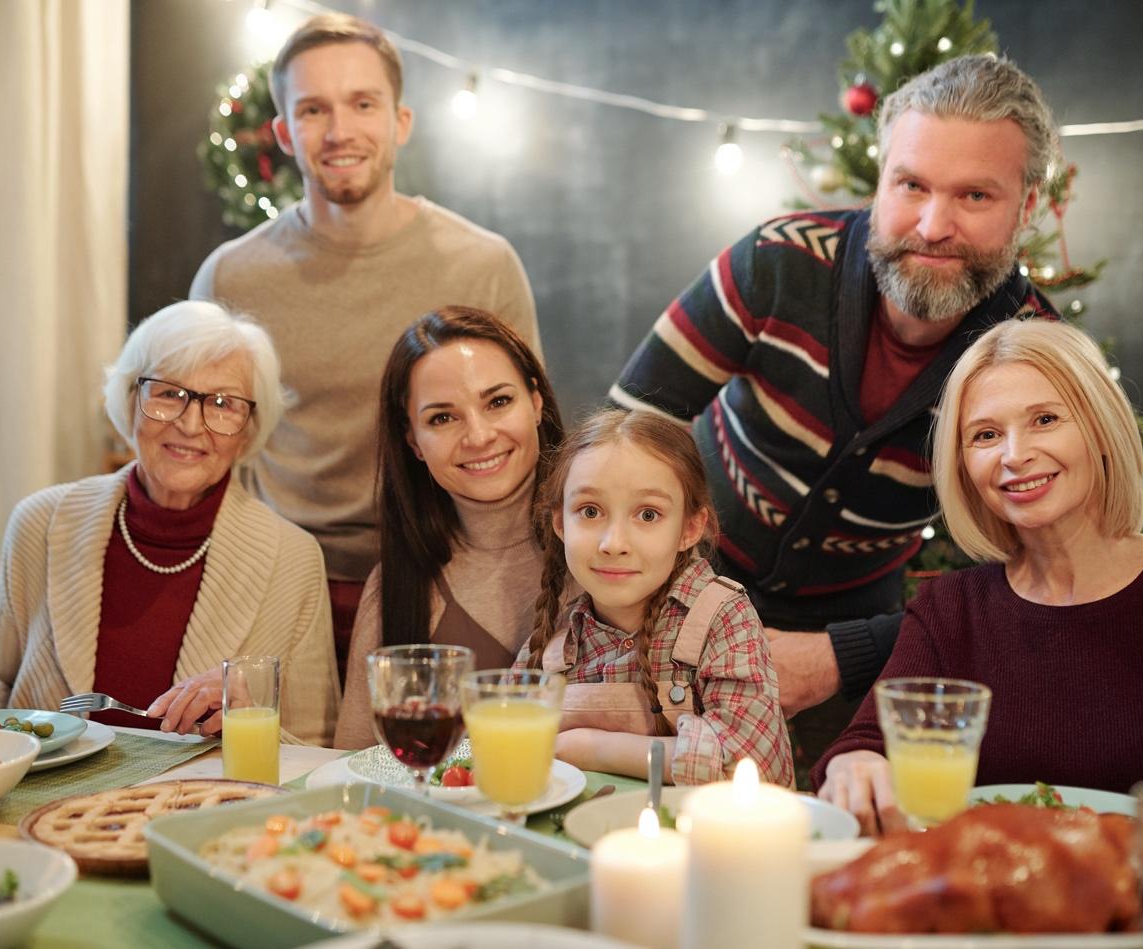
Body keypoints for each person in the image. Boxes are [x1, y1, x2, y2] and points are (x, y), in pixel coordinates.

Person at [609, 54, 1061, 779]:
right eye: (910, 185)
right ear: (880, 177)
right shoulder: (776, 263)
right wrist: (663, 602)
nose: (932, 225)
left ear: (1028, 205)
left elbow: (1039, 577)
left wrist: (838, 655)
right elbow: (627, 434)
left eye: (974, 195)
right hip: (669, 596)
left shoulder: (1035, 355)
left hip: (855, 643)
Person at [811, 319, 1143, 834]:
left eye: (1045, 419)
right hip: (999, 901)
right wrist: (851, 765)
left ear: (1100, 429)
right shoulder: (951, 610)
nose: (1014, 456)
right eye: (986, 435)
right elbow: (866, 744)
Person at [190, 13, 540, 678]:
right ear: (284, 132)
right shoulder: (230, 277)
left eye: (362, 104)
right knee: (281, 779)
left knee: (435, 776)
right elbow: (211, 451)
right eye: (314, 109)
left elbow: (528, 441)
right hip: (280, 584)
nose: (340, 130)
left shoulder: (481, 265)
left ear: (400, 122)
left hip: (445, 581)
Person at [0, 301, 340, 745]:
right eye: (169, 393)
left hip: (198, 809)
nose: (190, 424)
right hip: (48, 803)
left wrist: (249, 722)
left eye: (223, 403)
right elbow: (0, 678)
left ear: (248, 430)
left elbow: (314, 747)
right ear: (129, 402)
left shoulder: (293, 559)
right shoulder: (39, 523)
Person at [515, 409, 793, 786]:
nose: (614, 544)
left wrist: (591, 748)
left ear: (690, 528)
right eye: (590, 511)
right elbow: (481, 747)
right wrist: (437, 763)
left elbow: (752, 763)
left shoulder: (723, 618)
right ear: (560, 523)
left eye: (648, 514)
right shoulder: (551, 642)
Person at [334, 308, 563, 748]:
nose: (478, 436)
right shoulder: (396, 587)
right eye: (443, 418)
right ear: (413, 442)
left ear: (536, 403)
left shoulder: (610, 547)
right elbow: (355, 770)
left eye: (498, 402)